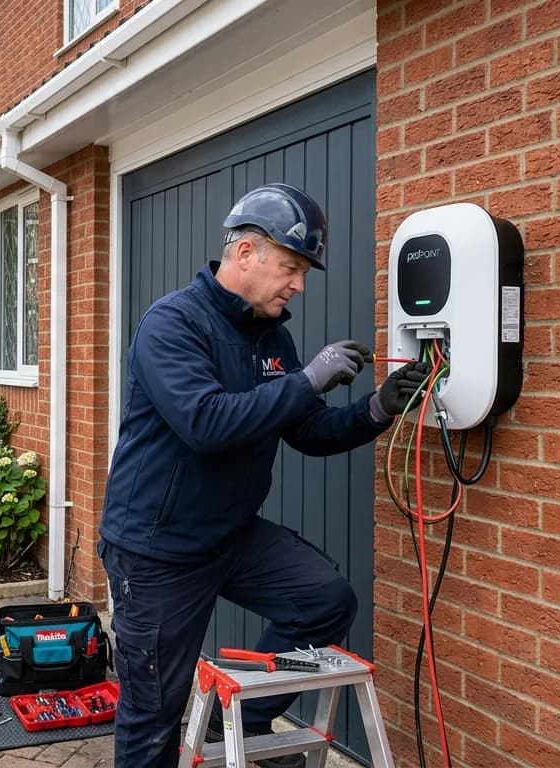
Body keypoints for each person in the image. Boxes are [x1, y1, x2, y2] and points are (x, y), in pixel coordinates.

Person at [98, 183, 430, 767]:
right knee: (153, 714)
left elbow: (306, 430)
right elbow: (204, 423)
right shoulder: (173, 324)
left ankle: (245, 730)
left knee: (325, 600)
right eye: (291, 267)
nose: (299, 284)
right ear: (245, 254)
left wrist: (377, 409)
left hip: (230, 535)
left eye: (303, 272)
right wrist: (307, 381)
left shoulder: (273, 336)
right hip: (158, 549)